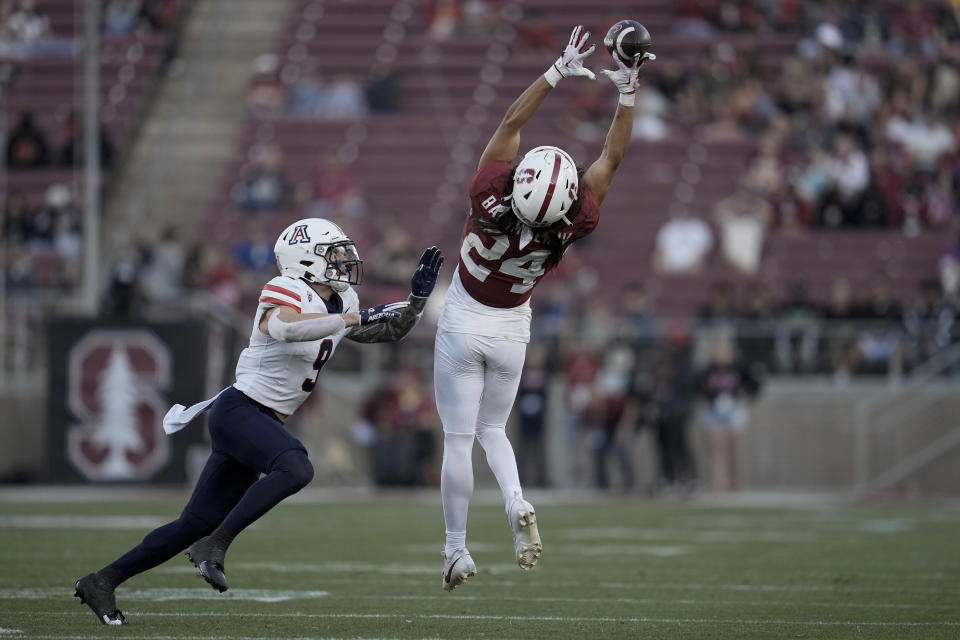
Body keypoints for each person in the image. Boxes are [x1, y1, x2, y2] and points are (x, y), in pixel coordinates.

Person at [73, 218, 444, 625]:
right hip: (240, 411)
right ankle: (216, 545)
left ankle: (101, 581)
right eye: (335, 254)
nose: (345, 261)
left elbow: (387, 331)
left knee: (190, 523)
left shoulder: (344, 301)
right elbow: (285, 328)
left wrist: (416, 301)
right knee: (296, 467)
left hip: (262, 420)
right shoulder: (286, 288)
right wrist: (355, 319)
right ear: (306, 259)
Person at [434, 25, 653, 591]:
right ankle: (514, 497)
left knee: (459, 439)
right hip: (512, 328)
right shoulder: (574, 221)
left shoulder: (487, 194)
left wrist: (557, 70)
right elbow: (612, 156)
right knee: (495, 430)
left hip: (462, 317)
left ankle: (456, 550)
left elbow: (511, 123)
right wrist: (627, 90)